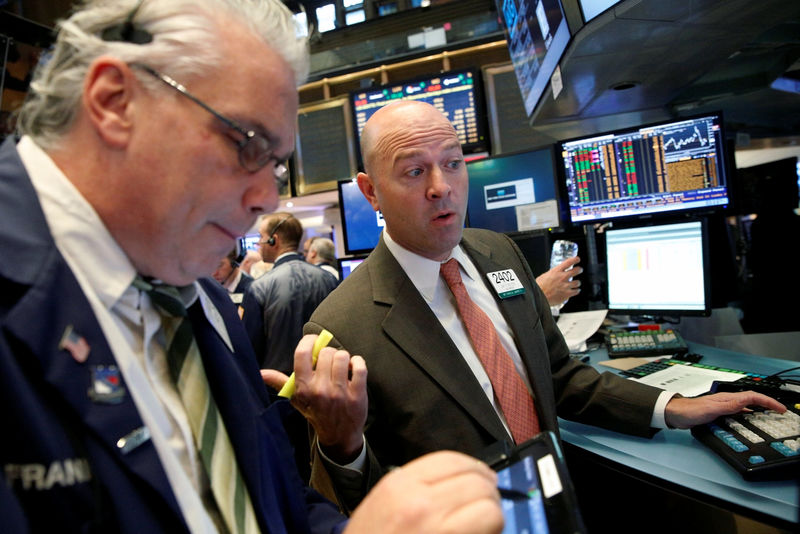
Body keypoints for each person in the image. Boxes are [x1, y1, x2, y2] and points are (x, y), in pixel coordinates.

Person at [0, 2, 504, 533]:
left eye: (277, 163)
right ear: (114, 102)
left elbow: (271, 502)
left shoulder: (203, 300)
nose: (267, 198)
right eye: (247, 144)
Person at [261, 100, 785, 511]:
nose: (442, 188)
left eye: (452, 163)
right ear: (371, 192)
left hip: (562, 500)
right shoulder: (339, 324)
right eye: (414, 172)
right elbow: (348, 499)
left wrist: (673, 408)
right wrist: (340, 444)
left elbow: (558, 376)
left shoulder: (496, 252)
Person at [241, 213, 338, 373]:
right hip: (323, 378)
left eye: (261, 236)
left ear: (274, 240)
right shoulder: (329, 279)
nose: (258, 243)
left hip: (275, 388)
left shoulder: (258, 287)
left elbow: (249, 348)